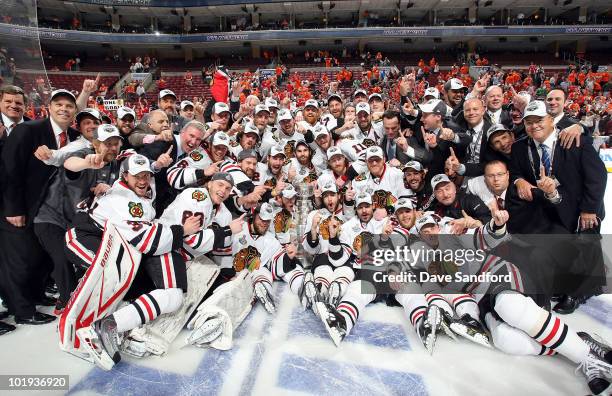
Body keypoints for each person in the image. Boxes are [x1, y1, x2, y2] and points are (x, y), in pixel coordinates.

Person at [0, 89, 78, 325]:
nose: (64, 109)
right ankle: (22, 311)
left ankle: (34, 297)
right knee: (18, 262)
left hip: (46, 212)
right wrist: (13, 208)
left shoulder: (72, 136)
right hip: (19, 209)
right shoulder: (29, 130)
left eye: (69, 105)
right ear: (49, 107)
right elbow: (10, 170)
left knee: (36, 258)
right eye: (59, 104)